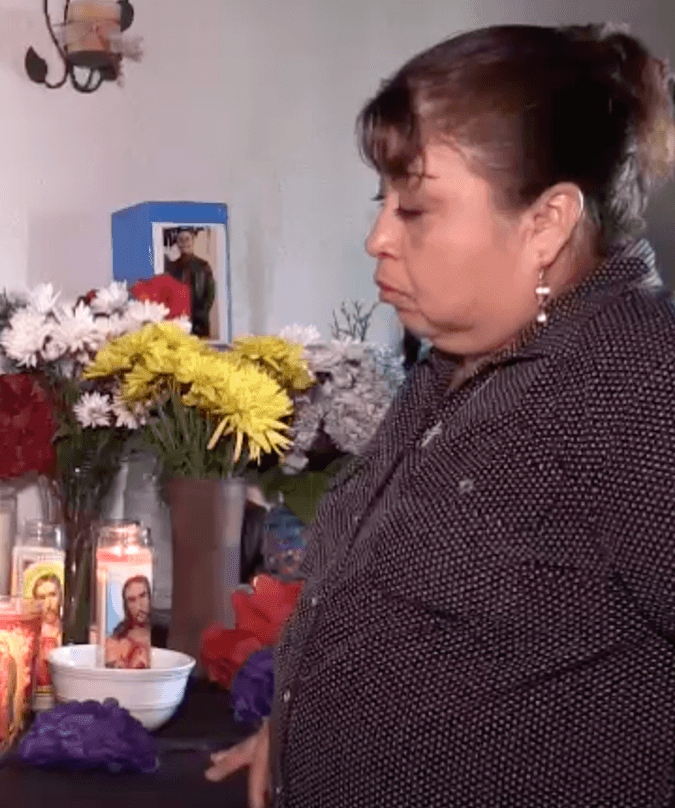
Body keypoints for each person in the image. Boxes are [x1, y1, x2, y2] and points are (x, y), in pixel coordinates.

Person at [207, 23, 675, 808]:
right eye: (382, 202)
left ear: (547, 223)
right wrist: (304, 730)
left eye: (416, 209)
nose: (377, 238)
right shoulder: (459, 363)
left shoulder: (639, 384)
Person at [163, 228, 215, 337]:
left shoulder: (204, 266)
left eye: (187, 239)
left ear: (193, 241)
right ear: (177, 243)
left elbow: (210, 294)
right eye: (181, 240)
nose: (184, 242)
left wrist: (201, 314)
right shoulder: (171, 267)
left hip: (199, 322)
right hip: (178, 321)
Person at [103, 575, 151, 669]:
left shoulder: (162, 630)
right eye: (132, 600)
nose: (139, 606)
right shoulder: (119, 632)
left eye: (142, 596)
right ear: (126, 606)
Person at [31, 573, 62, 688]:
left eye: (52, 595)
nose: (48, 603)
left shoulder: (69, 630)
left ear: (60, 597)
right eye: (41, 597)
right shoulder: (33, 634)